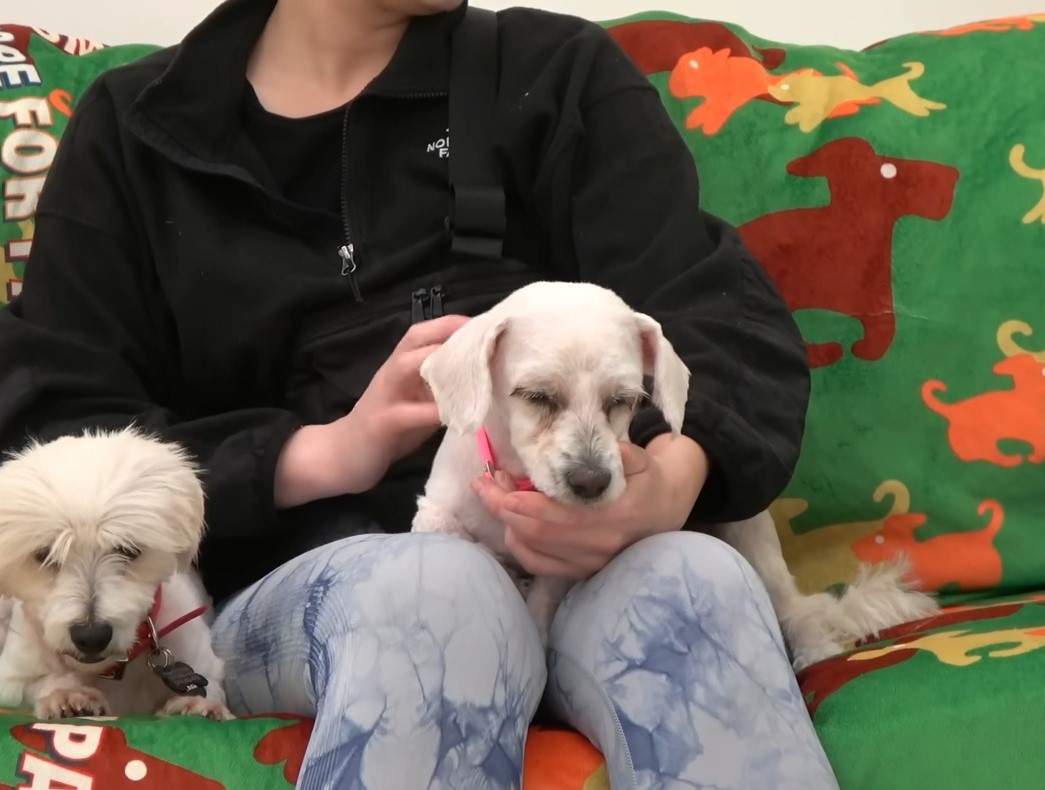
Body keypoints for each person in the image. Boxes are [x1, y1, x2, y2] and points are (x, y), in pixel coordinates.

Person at [0, 0, 840, 787]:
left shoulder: (558, 75)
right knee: (435, 594)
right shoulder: (132, 132)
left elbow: (721, 320)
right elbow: (62, 430)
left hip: (599, 565)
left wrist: (673, 484)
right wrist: (317, 454)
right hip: (297, 597)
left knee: (695, 580)